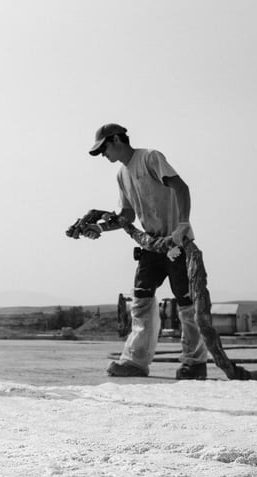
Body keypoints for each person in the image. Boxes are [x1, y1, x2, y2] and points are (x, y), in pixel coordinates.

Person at [83, 123, 209, 380]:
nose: (103, 155)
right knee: (140, 299)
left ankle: (194, 363)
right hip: (151, 244)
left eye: (103, 149)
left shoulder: (150, 158)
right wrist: (99, 228)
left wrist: (183, 224)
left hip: (176, 242)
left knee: (186, 302)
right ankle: (134, 361)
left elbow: (181, 187)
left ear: (117, 139)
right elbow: (126, 216)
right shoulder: (122, 175)